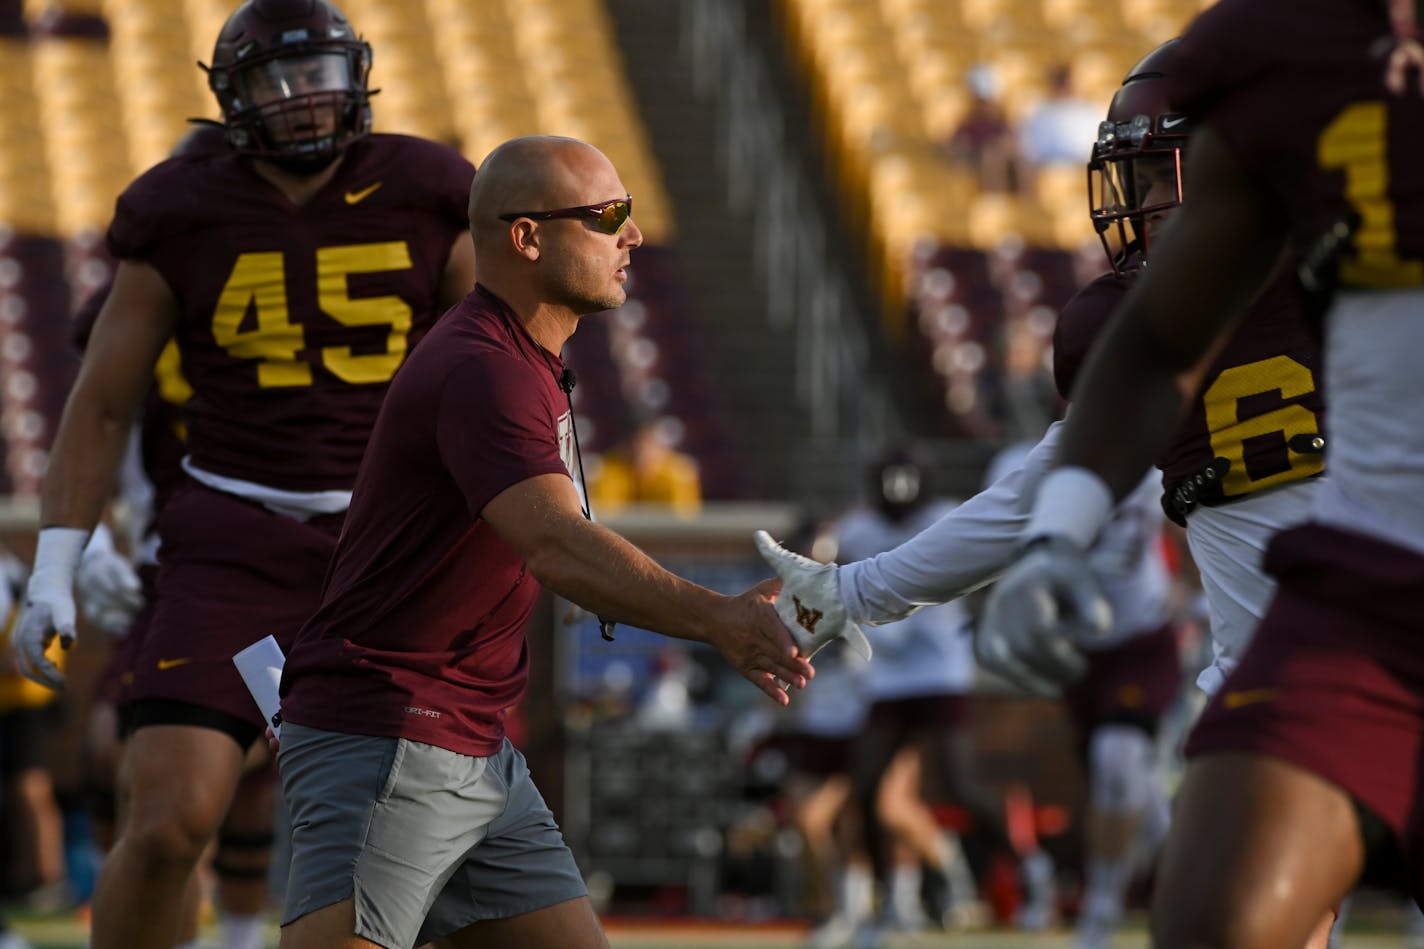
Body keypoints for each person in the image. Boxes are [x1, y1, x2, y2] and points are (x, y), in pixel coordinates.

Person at [8, 3, 478, 948]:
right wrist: (59, 559)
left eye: (320, 78)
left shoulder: (431, 190)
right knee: (172, 812)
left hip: (390, 549)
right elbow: (101, 403)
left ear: (359, 77)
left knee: (399, 839)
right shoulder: (179, 212)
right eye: (278, 82)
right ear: (230, 99)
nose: (304, 104)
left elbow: (500, 371)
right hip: (230, 537)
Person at [273, 133, 813, 949]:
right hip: (392, 730)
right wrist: (717, 617)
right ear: (526, 237)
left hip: (468, 740)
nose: (632, 235)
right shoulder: (485, 366)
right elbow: (556, 544)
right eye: (609, 215)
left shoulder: (520, 357)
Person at [977, 2, 1424, 947]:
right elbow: (1162, 331)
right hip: (1366, 588)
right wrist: (1060, 528)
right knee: (1219, 916)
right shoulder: (1281, 49)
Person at [833, 448, 1040, 947]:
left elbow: (958, 578)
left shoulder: (945, 515)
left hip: (939, 666)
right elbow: (840, 590)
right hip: (886, 675)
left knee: (961, 786)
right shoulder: (857, 528)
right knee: (866, 789)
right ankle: (890, 906)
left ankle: (1034, 873)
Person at [588, 413, 702, 516]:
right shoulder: (609, 469)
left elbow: (683, 523)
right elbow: (604, 518)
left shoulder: (678, 471)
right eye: (632, 444)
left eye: (646, 442)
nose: (639, 451)